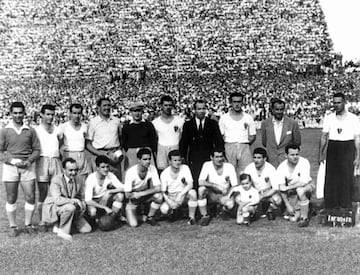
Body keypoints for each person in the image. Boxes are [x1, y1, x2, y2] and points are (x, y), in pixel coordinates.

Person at [0, 102, 40, 237]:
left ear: (24, 113)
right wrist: (11, 161)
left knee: (30, 196)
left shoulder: (30, 130)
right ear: (11, 113)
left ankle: (28, 224)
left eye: (20, 113)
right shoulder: (5, 130)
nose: (18, 115)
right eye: (15, 113)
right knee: (12, 196)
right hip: (11, 168)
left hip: (27, 167)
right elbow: (0, 152)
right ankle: (13, 226)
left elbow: (37, 150)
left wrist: (28, 161)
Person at [319, 92, 360, 210]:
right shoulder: (329, 117)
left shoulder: (353, 118)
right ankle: (331, 204)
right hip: (333, 147)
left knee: (346, 177)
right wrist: (320, 154)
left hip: (347, 147)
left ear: (344, 103)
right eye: (334, 103)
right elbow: (324, 136)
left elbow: (357, 138)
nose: (336, 105)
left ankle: (345, 203)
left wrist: (358, 157)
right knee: (331, 177)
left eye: (339, 102)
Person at [41, 158, 91, 241]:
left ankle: (61, 225)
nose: (74, 173)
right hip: (54, 207)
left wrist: (82, 204)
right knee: (70, 208)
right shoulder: (56, 180)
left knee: (87, 229)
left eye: (76, 170)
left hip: (70, 207)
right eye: (70, 170)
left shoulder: (79, 179)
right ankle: (63, 231)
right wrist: (73, 201)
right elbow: (57, 200)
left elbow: (80, 196)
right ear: (64, 170)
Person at [179, 99, 224, 190]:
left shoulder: (212, 124)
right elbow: (184, 142)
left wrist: (219, 155)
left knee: (209, 180)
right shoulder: (188, 124)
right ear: (194, 110)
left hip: (209, 157)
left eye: (203, 108)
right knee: (195, 179)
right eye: (199, 109)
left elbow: (218, 141)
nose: (201, 111)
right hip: (194, 158)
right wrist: (182, 156)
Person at [35, 104, 63, 229]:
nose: (50, 117)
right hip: (42, 160)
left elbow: (60, 143)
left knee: (56, 191)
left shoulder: (58, 129)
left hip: (56, 160)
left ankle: (55, 220)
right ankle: (42, 220)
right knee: (43, 192)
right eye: (47, 114)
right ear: (41, 115)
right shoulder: (36, 130)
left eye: (52, 114)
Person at [197, 150, 238, 226]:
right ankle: (204, 216)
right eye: (216, 157)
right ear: (211, 157)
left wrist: (228, 196)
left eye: (221, 156)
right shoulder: (207, 165)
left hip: (224, 194)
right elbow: (200, 182)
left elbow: (235, 185)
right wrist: (215, 186)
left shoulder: (229, 167)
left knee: (230, 204)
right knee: (201, 190)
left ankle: (222, 209)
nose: (219, 159)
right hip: (212, 194)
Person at [124, 148, 163, 227]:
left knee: (159, 196)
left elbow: (158, 188)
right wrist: (136, 195)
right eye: (145, 159)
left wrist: (141, 194)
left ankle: (149, 217)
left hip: (143, 195)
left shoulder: (152, 168)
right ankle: (126, 216)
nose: (148, 161)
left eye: (149, 159)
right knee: (133, 224)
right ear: (139, 160)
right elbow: (127, 195)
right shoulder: (130, 172)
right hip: (133, 199)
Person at [219, 92, 256, 174]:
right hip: (229, 146)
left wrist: (245, 144)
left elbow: (253, 135)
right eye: (234, 102)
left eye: (239, 102)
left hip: (244, 147)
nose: (237, 104)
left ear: (242, 102)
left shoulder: (248, 117)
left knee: (245, 172)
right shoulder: (224, 118)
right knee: (230, 172)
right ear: (230, 102)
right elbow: (221, 135)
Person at [277, 144, 313, 227]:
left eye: (297, 154)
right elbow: (281, 188)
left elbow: (303, 182)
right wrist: (288, 205)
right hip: (292, 192)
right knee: (293, 219)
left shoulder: (304, 162)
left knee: (300, 190)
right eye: (292, 155)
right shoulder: (281, 167)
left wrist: (287, 187)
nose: (295, 157)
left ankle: (304, 218)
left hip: (307, 186)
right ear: (286, 155)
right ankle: (308, 207)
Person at [86, 98, 123, 180]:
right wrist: (100, 154)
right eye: (104, 105)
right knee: (100, 183)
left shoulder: (116, 121)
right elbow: (88, 144)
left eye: (109, 105)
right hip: (99, 155)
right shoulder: (93, 122)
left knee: (116, 182)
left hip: (114, 156)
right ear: (98, 107)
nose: (107, 108)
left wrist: (118, 151)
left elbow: (121, 138)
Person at [159, 150, 197, 225]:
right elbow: (163, 192)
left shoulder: (185, 168)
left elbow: (190, 184)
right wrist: (170, 202)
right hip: (172, 197)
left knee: (193, 193)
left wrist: (181, 195)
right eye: (175, 160)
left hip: (183, 195)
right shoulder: (164, 173)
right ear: (170, 161)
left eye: (179, 160)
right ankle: (174, 213)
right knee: (164, 209)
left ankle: (191, 218)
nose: (177, 162)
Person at [261, 98, 301, 168]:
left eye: (281, 109)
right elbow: (264, 142)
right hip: (271, 160)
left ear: (284, 110)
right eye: (277, 109)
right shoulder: (265, 123)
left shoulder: (292, 123)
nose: (279, 112)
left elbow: (297, 142)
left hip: (287, 161)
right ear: (272, 110)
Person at [244, 147, 282, 220]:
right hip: (254, 192)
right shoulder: (249, 168)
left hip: (267, 192)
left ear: (264, 159)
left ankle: (269, 210)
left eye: (259, 158)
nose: (256, 160)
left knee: (278, 200)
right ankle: (253, 212)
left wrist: (262, 196)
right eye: (254, 157)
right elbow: (245, 185)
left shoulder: (271, 168)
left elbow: (276, 188)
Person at [85, 155, 125, 222]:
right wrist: (104, 207)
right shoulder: (91, 179)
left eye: (107, 167)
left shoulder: (110, 175)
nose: (106, 169)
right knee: (93, 212)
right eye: (103, 167)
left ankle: (112, 218)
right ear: (97, 168)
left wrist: (109, 192)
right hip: (94, 201)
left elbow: (124, 188)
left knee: (120, 196)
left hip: (105, 199)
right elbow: (88, 201)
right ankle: (95, 220)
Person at [59, 103, 92, 181]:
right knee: (69, 182)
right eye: (74, 113)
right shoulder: (63, 127)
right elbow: (59, 144)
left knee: (82, 182)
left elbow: (87, 144)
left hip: (81, 156)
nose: (77, 116)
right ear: (70, 114)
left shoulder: (85, 126)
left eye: (79, 113)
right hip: (68, 154)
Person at [152, 95, 184, 174]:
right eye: (165, 105)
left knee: (177, 171)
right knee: (163, 172)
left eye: (170, 105)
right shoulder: (155, 122)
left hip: (175, 147)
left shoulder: (179, 120)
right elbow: (155, 139)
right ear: (161, 106)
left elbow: (182, 137)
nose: (168, 107)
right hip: (162, 149)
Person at [122, 102, 157, 170]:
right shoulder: (126, 126)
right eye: (134, 111)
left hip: (147, 153)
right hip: (132, 154)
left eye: (139, 111)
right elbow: (124, 142)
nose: (137, 113)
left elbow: (153, 141)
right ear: (131, 112)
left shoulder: (148, 125)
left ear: (142, 112)